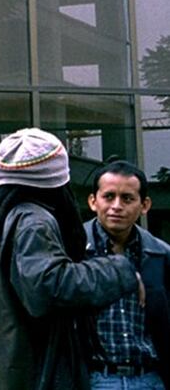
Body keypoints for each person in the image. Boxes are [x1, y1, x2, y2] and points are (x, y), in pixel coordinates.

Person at [0, 128, 142, 390]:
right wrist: (120, 270)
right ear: (56, 181)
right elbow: (51, 286)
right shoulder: (33, 224)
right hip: (28, 376)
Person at [83, 159, 170, 389]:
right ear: (93, 201)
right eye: (109, 196)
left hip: (149, 377)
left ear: (145, 205)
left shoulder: (160, 254)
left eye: (128, 198)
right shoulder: (73, 250)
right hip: (93, 377)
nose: (117, 206)